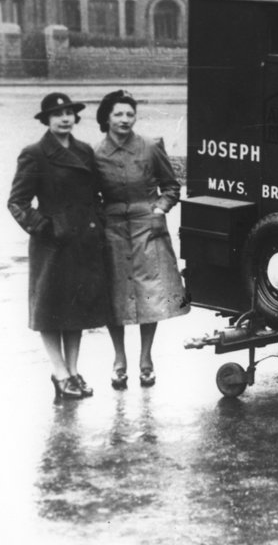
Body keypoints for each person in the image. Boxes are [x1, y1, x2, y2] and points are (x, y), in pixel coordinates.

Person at [8, 93, 110, 399]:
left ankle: (74, 370)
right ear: (46, 120)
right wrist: (46, 228)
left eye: (69, 112)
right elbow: (17, 202)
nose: (64, 118)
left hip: (83, 242)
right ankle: (59, 372)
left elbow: (96, 195)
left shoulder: (84, 151)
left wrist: (97, 222)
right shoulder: (35, 153)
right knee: (50, 309)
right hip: (52, 245)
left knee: (76, 309)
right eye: (57, 114)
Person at [94, 90, 189, 390]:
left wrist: (159, 209)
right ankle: (119, 359)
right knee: (115, 295)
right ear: (106, 117)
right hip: (112, 231)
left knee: (151, 294)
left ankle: (146, 359)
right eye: (118, 114)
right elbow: (89, 194)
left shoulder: (149, 147)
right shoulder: (95, 154)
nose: (125, 120)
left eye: (129, 114)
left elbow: (171, 186)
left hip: (147, 230)